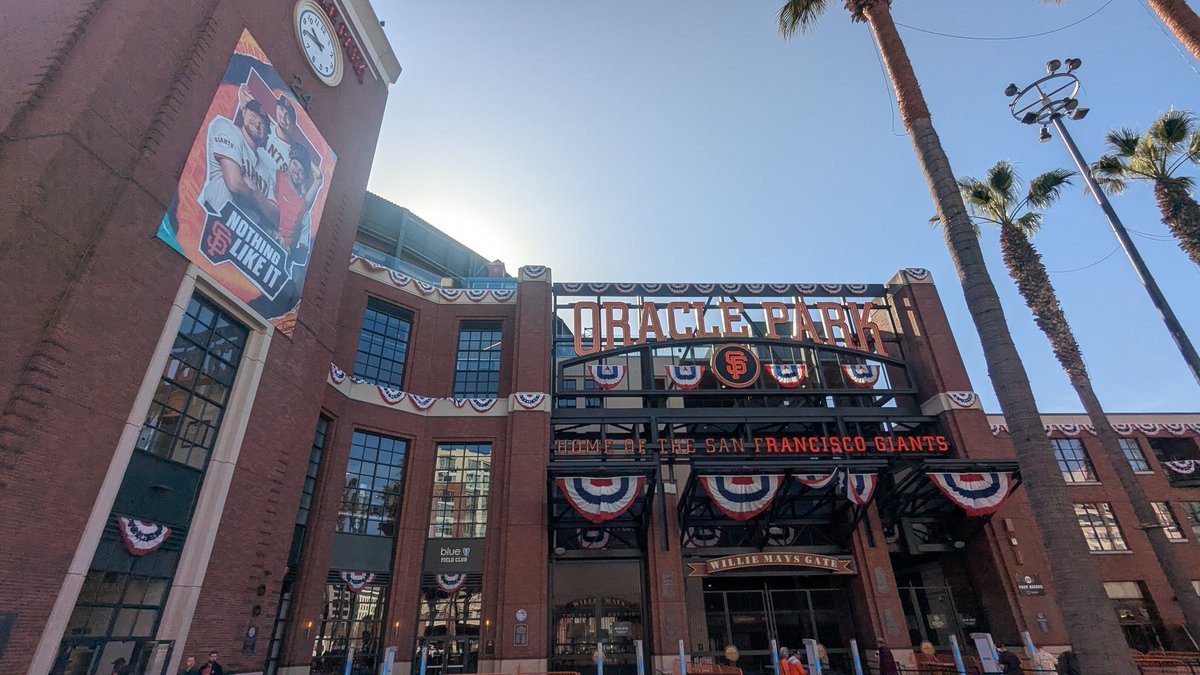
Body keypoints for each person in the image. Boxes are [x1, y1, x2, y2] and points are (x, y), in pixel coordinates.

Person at [202, 97, 278, 227]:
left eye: (264, 125)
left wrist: (254, 190)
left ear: (266, 136)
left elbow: (275, 217)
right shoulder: (227, 128)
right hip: (210, 217)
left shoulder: (266, 173)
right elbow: (235, 183)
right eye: (253, 115)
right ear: (243, 112)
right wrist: (262, 205)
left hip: (241, 235)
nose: (258, 124)